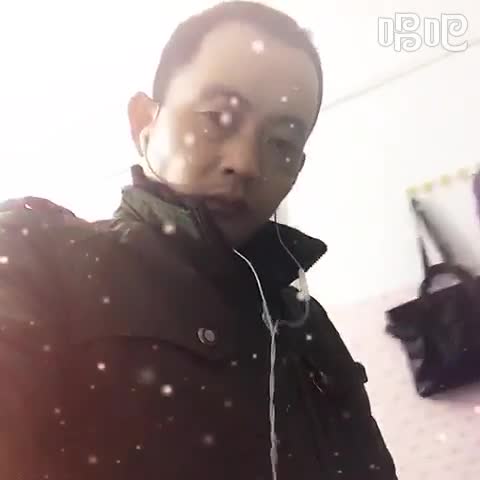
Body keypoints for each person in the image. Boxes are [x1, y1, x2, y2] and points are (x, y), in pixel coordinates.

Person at [0, 1, 397, 479]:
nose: (245, 163)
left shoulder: (305, 325)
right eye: (217, 117)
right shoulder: (36, 254)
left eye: (282, 143)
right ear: (144, 124)